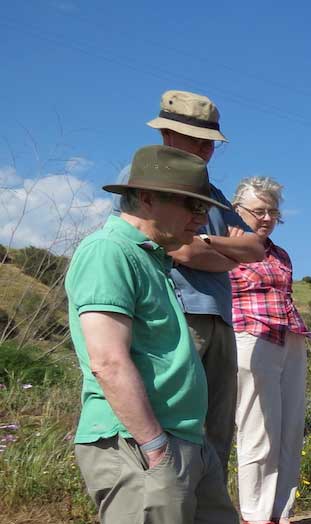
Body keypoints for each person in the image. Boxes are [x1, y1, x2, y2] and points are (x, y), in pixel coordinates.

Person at [69, 145, 259, 524]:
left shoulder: (151, 257)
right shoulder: (109, 252)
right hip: (140, 444)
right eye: (190, 206)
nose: (201, 219)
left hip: (184, 441)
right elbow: (107, 359)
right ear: (146, 197)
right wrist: (153, 445)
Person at [114, 90, 265, 472]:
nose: (205, 149)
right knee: (177, 420)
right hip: (177, 314)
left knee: (216, 428)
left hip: (220, 318)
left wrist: (209, 242)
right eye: (196, 139)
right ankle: (170, 495)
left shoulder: (212, 192)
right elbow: (181, 250)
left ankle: (207, 501)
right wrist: (227, 256)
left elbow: (255, 248)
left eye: (210, 142)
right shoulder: (142, 177)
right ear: (167, 135)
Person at [228, 176, 311, 524]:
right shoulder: (226, 246)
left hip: (289, 336)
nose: (266, 218)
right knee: (257, 426)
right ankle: (255, 511)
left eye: (272, 212)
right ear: (238, 210)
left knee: (290, 427)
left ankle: (282, 510)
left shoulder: (280, 254)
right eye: (258, 211)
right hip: (250, 334)